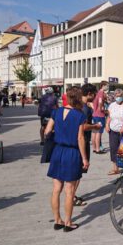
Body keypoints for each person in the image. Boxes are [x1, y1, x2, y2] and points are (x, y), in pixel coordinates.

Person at [44, 86, 89, 232]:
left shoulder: (56, 112)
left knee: (56, 189)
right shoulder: (80, 115)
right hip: (72, 153)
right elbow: (80, 138)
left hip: (57, 151)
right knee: (69, 190)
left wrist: (58, 133)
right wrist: (85, 158)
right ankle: (68, 223)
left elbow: (47, 131)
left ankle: (57, 220)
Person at [73, 83, 99, 207]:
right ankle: (72, 196)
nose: (95, 96)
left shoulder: (78, 105)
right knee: (78, 171)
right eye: (94, 94)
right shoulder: (85, 108)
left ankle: (71, 194)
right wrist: (95, 126)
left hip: (77, 141)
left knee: (77, 171)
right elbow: (82, 126)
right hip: (82, 141)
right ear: (89, 94)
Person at [106, 89, 123, 175]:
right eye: (116, 96)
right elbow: (109, 116)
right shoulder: (112, 105)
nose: (118, 98)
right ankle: (115, 168)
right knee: (113, 149)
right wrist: (107, 124)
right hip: (113, 130)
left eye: (119, 96)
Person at [91, 81, 108, 154]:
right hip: (99, 115)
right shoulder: (101, 93)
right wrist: (103, 110)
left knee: (94, 132)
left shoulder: (97, 93)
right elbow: (100, 102)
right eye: (107, 85)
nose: (107, 87)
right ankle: (98, 149)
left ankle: (94, 148)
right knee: (99, 133)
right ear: (103, 86)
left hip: (95, 114)